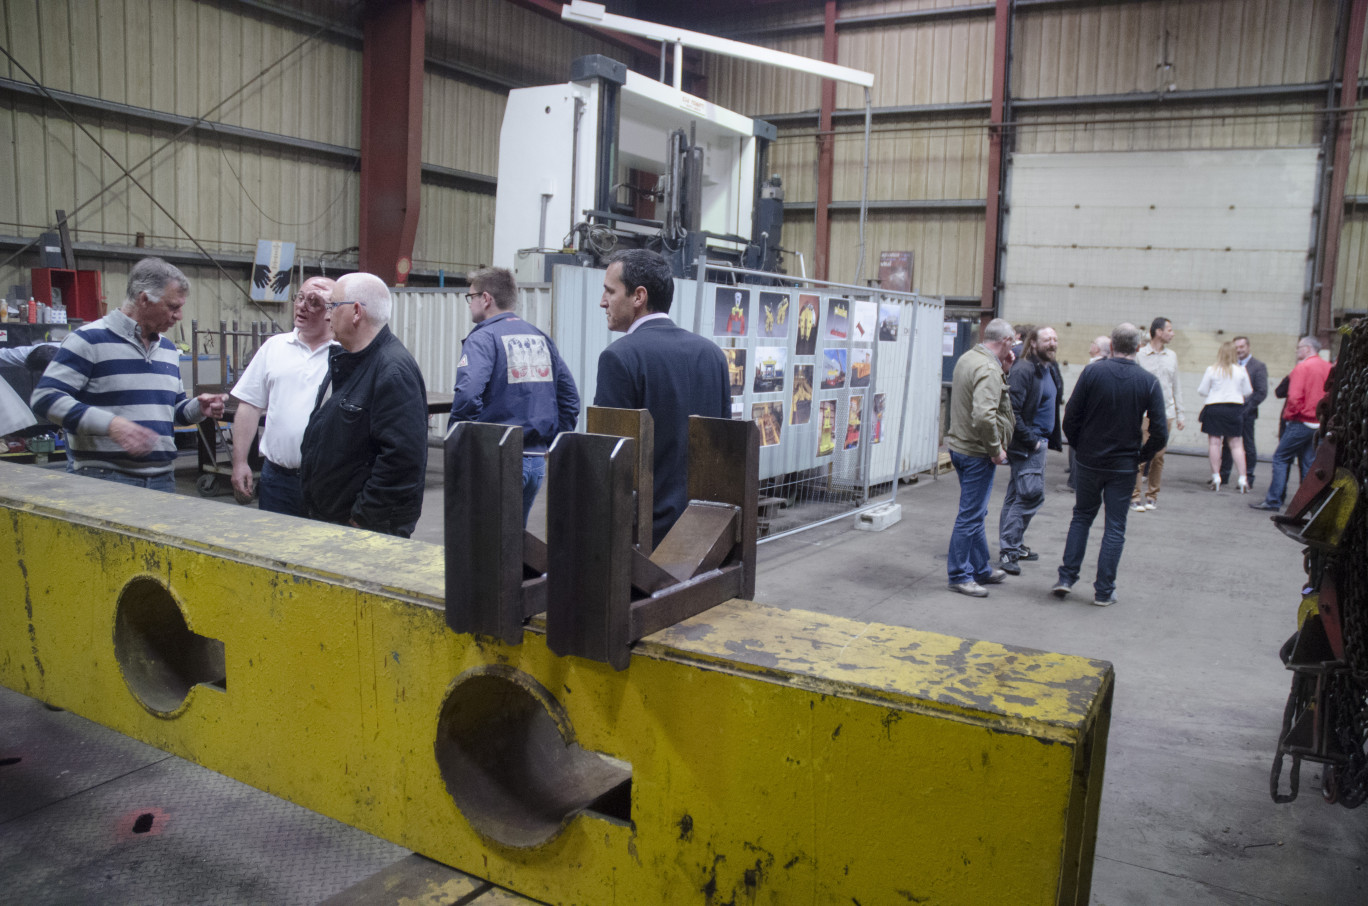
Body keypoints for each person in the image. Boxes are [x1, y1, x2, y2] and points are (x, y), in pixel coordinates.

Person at [30, 257, 227, 491]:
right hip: (103, 479)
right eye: (173, 307)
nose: (179, 316)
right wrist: (112, 425)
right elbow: (45, 398)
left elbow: (173, 411)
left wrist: (197, 408)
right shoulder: (88, 340)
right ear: (144, 299)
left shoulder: (166, 349)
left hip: (163, 479)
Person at [594, 249, 730, 547]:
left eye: (609, 291)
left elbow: (610, 460)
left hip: (646, 539)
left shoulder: (619, 358)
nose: (602, 301)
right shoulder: (712, 355)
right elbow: (723, 449)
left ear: (638, 296)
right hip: (704, 533)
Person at [299, 272, 428, 537]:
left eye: (333, 306)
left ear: (356, 312)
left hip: (364, 531)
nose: (326, 315)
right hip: (337, 521)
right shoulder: (351, 361)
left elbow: (401, 461)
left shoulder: (392, 371)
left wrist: (362, 519)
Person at [449, 266, 580, 525]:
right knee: (512, 542)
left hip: (497, 460)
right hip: (534, 464)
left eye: (470, 297)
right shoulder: (540, 337)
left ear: (486, 299)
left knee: (483, 544)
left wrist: (459, 446)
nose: (469, 303)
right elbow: (570, 399)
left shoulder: (483, 338)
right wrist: (549, 444)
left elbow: (467, 394)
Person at [1053, 323, 1166, 606]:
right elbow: (1160, 431)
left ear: (1112, 346)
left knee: (1082, 517)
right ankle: (1103, 592)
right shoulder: (1148, 381)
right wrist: (1141, 456)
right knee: (1115, 527)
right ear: (1138, 347)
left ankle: (1066, 578)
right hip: (1123, 465)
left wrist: (1081, 447)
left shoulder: (1092, 372)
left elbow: (1070, 418)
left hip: (1090, 461)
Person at [228, 276, 337, 515]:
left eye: (314, 301)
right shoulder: (274, 347)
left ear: (332, 311)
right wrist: (239, 462)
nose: (302, 306)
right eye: (299, 298)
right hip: (277, 479)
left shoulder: (345, 354)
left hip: (329, 482)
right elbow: (249, 406)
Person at [944, 317, 1015, 597]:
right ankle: (960, 574)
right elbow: (984, 415)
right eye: (1013, 342)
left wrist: (1003, 369)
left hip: (960, 447)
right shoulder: (988, 368)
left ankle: (980, 567)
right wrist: (996, 450)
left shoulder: (969, 358)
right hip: (977, 453)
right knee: (971, 516)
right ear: (1005, 341)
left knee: (975, 512)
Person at [998, 326, 1062, 575]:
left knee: (1017, 496)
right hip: (1028, 445)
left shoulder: (1048, 368)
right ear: (1033, 343)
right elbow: (1010, 412)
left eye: (1055, 339)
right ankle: (1009, 550)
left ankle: (1012, 545)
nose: (1053, 343)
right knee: (1030, 495)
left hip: (1039, 442)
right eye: (1047, 339)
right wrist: (1032, 441)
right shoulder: (1024, 369)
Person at [1250, 336, 1333, 513]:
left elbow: (1294, 397)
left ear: (1307, 348)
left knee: (1281, 458)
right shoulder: (1328, 367)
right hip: (1319, 423)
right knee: (1308, 464)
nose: (1297, 351)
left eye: (1299, 348)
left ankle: (1273, 500)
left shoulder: (1301, 368)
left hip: (1300, 421)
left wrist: (1293, 414)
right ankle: (1307, 505)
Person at [1132, 317, 1184, 512]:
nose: (1172, 333)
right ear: (1158, 332)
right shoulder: (1141, 356)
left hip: (1166, 412)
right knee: (1140, 455)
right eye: (1169, 330)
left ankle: (1152, 495)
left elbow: (1176, 386)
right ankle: (1135, 495)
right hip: (1144, 413)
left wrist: (1180, 414)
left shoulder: (1172, 356)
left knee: (1159, 456)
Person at [1196, 340, 1253, 492]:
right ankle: (1242, 479)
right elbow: (1248, 391)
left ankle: (1216, 477)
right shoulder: (1241, 370)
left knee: (1214, 443)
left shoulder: (1212, 370)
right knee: (1236, 445)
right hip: (1234, 409)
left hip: (1214, 408)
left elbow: (1202, 390)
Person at [1219, 336, 1267, 490]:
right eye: (1236, 347)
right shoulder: (1229, 365)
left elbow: (1261, 392)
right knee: (1226, 445)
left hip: (1247, 413)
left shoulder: (1258, 366)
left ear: (1248, 347)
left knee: (1247, 445)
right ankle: (1223, 475)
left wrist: (1246, 408)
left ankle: (1248, 478)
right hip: (1230, 412)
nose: (1239, 350)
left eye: (1241, 347)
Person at [1067, 336, 1111, 491]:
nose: (1090, 345)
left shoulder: (1093, 368)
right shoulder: (1105, 368)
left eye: (1092, 343)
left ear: (1097, 348)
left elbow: (1076, 403)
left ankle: (1076, 482)